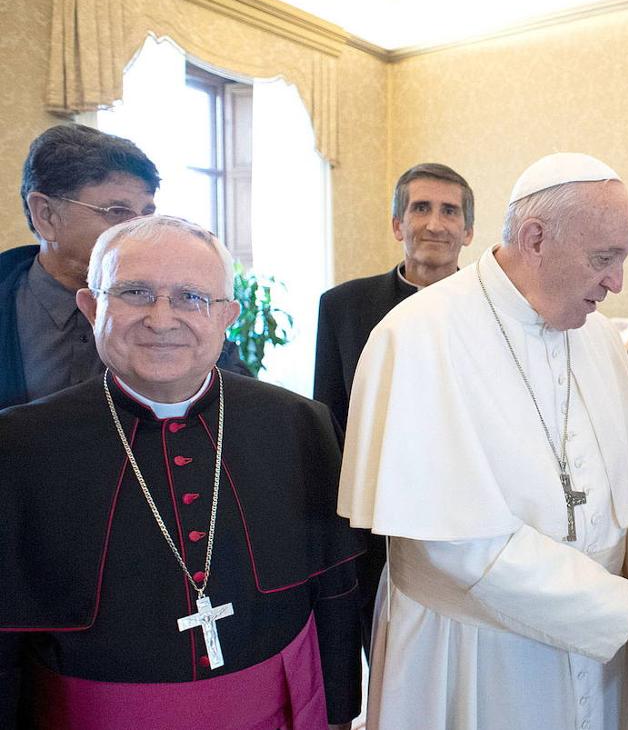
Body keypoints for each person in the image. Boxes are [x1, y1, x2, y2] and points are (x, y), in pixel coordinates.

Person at [338, 152, 628, 730]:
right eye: (604, 258)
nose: (616, 282)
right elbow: (454, 549)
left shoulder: (598, 338)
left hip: (601, 646)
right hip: (476, 653)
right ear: (536, 237)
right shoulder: (417, 336)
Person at [0, 216, 364, 729]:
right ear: (90, 306)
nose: (161, 319)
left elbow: (335, 590)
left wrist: (340, 712)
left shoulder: (299, 424)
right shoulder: (19, 445)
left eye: (191, 297)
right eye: (134, 293)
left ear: (227, 316)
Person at [313, 162, 474, 658]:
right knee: (384, 650)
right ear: (397, 224)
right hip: (374, 522)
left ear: (468, 231)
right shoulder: (343, 305)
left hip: (466, 515)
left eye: (450, 211)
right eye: (419, 208)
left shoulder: (490, 310)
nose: (434, 223)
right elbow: (329, 416)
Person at [0, 123, 249, 411]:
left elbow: (237, 407)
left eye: (146, 214)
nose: (138, 230)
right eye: (117, 212)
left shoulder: (177, 306)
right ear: (46, 215)